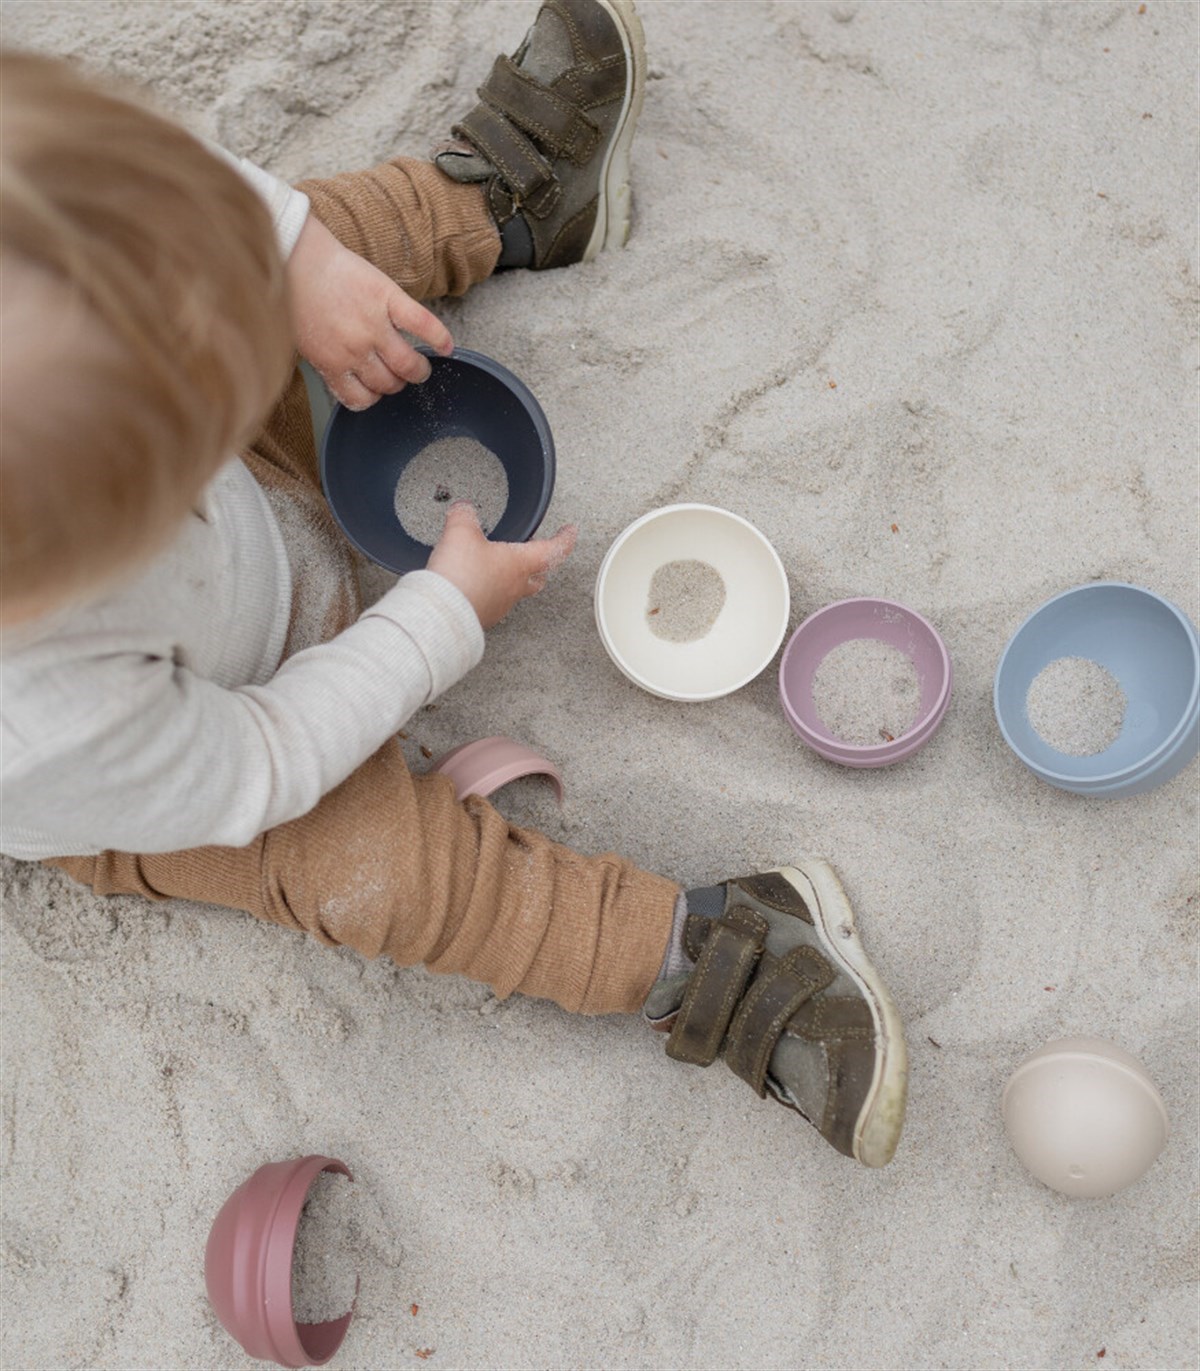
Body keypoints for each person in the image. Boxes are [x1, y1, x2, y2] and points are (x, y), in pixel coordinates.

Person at [0, 0, 908, 1168]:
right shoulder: (42, 722)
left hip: (170, 501)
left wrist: (292, 260)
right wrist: (437, 621)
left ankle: (500, 206)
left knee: (324, 249)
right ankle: (704, 954)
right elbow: (261, 758)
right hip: (208, 744)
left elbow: (134, 183)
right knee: (373, 875)